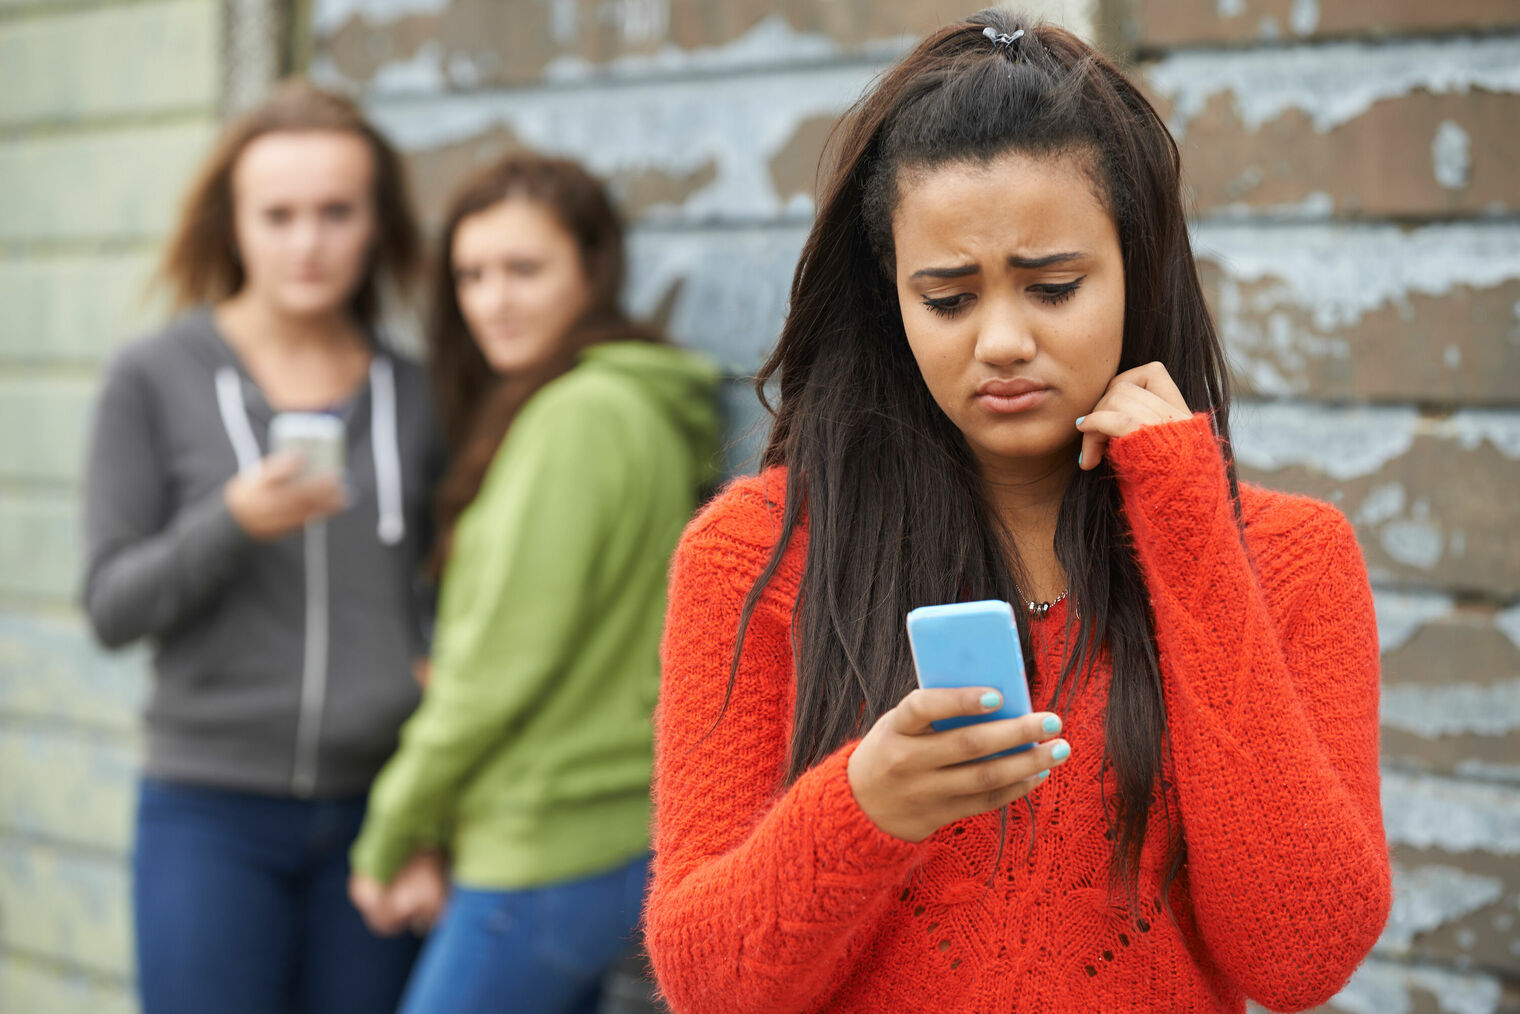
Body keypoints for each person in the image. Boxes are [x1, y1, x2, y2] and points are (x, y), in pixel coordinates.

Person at [645, 11, 1391, 1013]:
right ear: (889, 301)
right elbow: (706, 983)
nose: (1000, 339)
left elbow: (1299, 956)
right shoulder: (754, 556)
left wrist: (1188, 527)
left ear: (1138, 268)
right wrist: (861, 811)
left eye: (1052, 286)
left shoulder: (1289, 558)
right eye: (947, 299)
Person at [80, 80, 444, 1014]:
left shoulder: (417, 390)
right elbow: (111, 605)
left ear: (375, 223)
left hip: (377, 812)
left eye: (336, 211)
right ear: (232, 224)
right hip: (211, 811)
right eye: (277, 214)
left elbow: (446, 594)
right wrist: (230, 523)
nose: (307, 241)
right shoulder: (154, 376)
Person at [346, 152, 722, 1014]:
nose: (493, 301)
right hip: (602, 831)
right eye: (472, 275)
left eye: (524, 269)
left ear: (592, 270)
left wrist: (390, 835)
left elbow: (494, 671)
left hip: (546, 846)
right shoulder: (626, 401)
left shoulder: (579, 417)